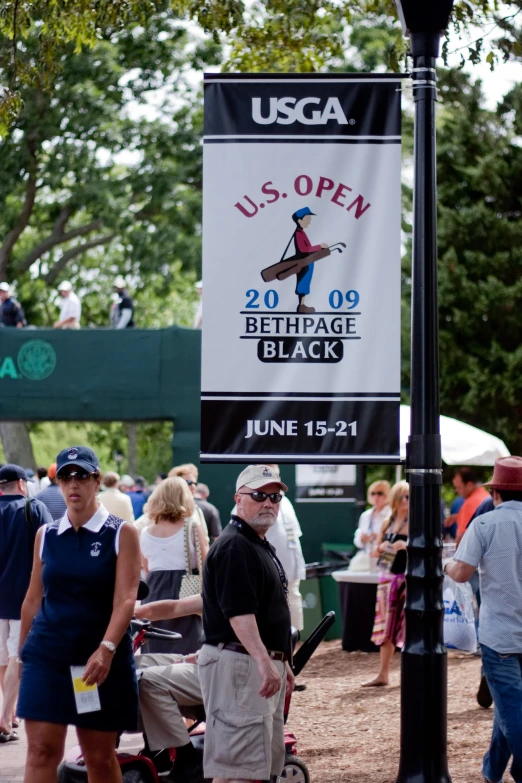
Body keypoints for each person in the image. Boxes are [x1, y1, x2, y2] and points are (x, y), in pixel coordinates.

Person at [17, 445, 141, 783]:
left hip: (93, 664)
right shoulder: (46, 535)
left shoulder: (121, 532)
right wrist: (22, 653)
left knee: (98, 758)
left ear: (96, 480)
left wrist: (107, 648)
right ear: (58, 483)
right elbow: (32, 598)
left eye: (81, 476)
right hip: (47, 657)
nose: (73, 484)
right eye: (66, 477)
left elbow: (127, 598)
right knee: (41, 751)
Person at [198, 464, 294, 783]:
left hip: (254, 663)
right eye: (259, 495)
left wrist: (282, 661)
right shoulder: (235, 545)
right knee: (238, 771)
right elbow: (239, 615)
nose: (268, 502)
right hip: (242, 664)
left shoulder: (253, 542)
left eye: (275, 496)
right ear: (240, 499)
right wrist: (266, 663)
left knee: (256, 767)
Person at [444, 456, 522, 783]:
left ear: (496, 492)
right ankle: (491, 772)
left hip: (499, 636)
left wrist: (445, 565)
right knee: (507, 709)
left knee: (514, 715)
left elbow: (461, 574)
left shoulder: (485, 523)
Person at [0, 465, 52, 740]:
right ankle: (6, 716)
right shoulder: (34, 509)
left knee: (4, 657)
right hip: (25, 596)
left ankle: (9, 711)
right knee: (16, 655)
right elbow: (49, 551)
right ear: (22, 483)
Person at [134, 595, 205, 781]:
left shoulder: (239, 590)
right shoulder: (219, 584)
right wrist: (133, 613)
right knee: (131, 666)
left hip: (217, 666)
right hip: (202, 658)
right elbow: (175, 607)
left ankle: (188, 757)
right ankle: (157, 750)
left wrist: (191, 658)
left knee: (147, 679)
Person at [139, 477, 208, 654]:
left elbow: (146, 569)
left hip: (154, 590)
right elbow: (206, 564)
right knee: (187, 646)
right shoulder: (192, 527)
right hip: (186, 592)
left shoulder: (145, 532)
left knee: (155, 645)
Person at [363, 480, 409, 687]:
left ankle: (408, 675)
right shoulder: (387, 522)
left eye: (410, 497)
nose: (407, 501)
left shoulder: (416, 521)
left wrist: (406, 546)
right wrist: (382, 546)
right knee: (386, 629)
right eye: (403, 497)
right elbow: (375, 551)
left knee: (407, 627)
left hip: (407, 579)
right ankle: (383, 674)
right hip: (387, 578)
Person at [169, 463, 219, 542]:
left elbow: (206, 541)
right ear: (175, 483)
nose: (193, 487)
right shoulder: (164, 509)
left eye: (195, 483)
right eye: (188, 482)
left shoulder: (197, 511)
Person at [292, 207, 328, 314]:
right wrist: (319, 246)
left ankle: (302, 305)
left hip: (306, 262)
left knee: (305, 283)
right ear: (300, 220)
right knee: (302, 283)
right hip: (303, 263)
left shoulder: (302, 233)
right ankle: (301, 306)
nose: (309, 222)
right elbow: (304, 249)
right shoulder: (299, 234)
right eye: (307, 219)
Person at [452, 467, 489, 543]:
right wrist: (459, 516)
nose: (457, 491)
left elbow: (462, 539)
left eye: (459, 487)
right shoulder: (486, 496)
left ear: (469, 485)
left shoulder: (470, 504)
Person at [354, 480, 392, 551]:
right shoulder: (365, 515)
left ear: (387, 495)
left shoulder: (391, 514)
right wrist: (362, 539)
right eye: (373, 493)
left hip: (383, 556)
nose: (376, 496)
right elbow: (357, 540)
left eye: (380, 493)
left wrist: (378, 537)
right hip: (367, 554)